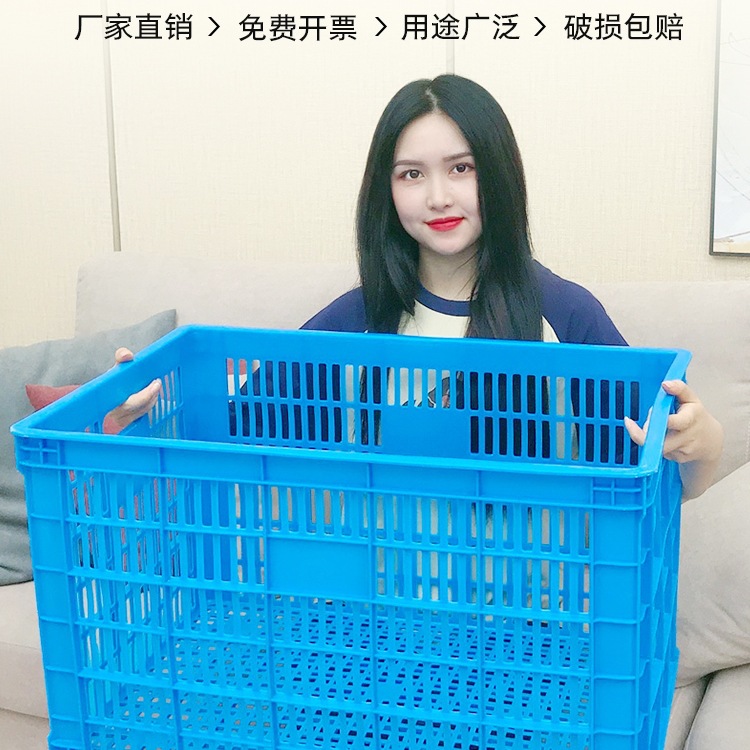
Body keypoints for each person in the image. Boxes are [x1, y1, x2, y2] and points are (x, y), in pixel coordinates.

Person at [111, 74, 723, 498]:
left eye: (462, 168)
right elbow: (236, 435)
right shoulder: (353, 321)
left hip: (527, 615)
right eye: (411, 174)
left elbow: (664, 479)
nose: (438, 197)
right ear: (387, 191)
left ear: (499, 175)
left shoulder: (566, 315)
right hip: (375, 612)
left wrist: (704, 443)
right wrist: (144, 415)